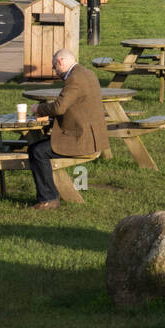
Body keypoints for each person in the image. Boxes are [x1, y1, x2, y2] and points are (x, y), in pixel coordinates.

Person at [27, 48, 108, 210]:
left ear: (60, 62)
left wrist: (39, 109)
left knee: (37, 151)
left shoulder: (75, 78)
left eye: (54, 67)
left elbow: (59, 108)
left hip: (81, 139)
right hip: (91, 135)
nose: (54, 71)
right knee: (38, 148)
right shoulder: (87, 73)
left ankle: (48, 199)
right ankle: (48, 196)